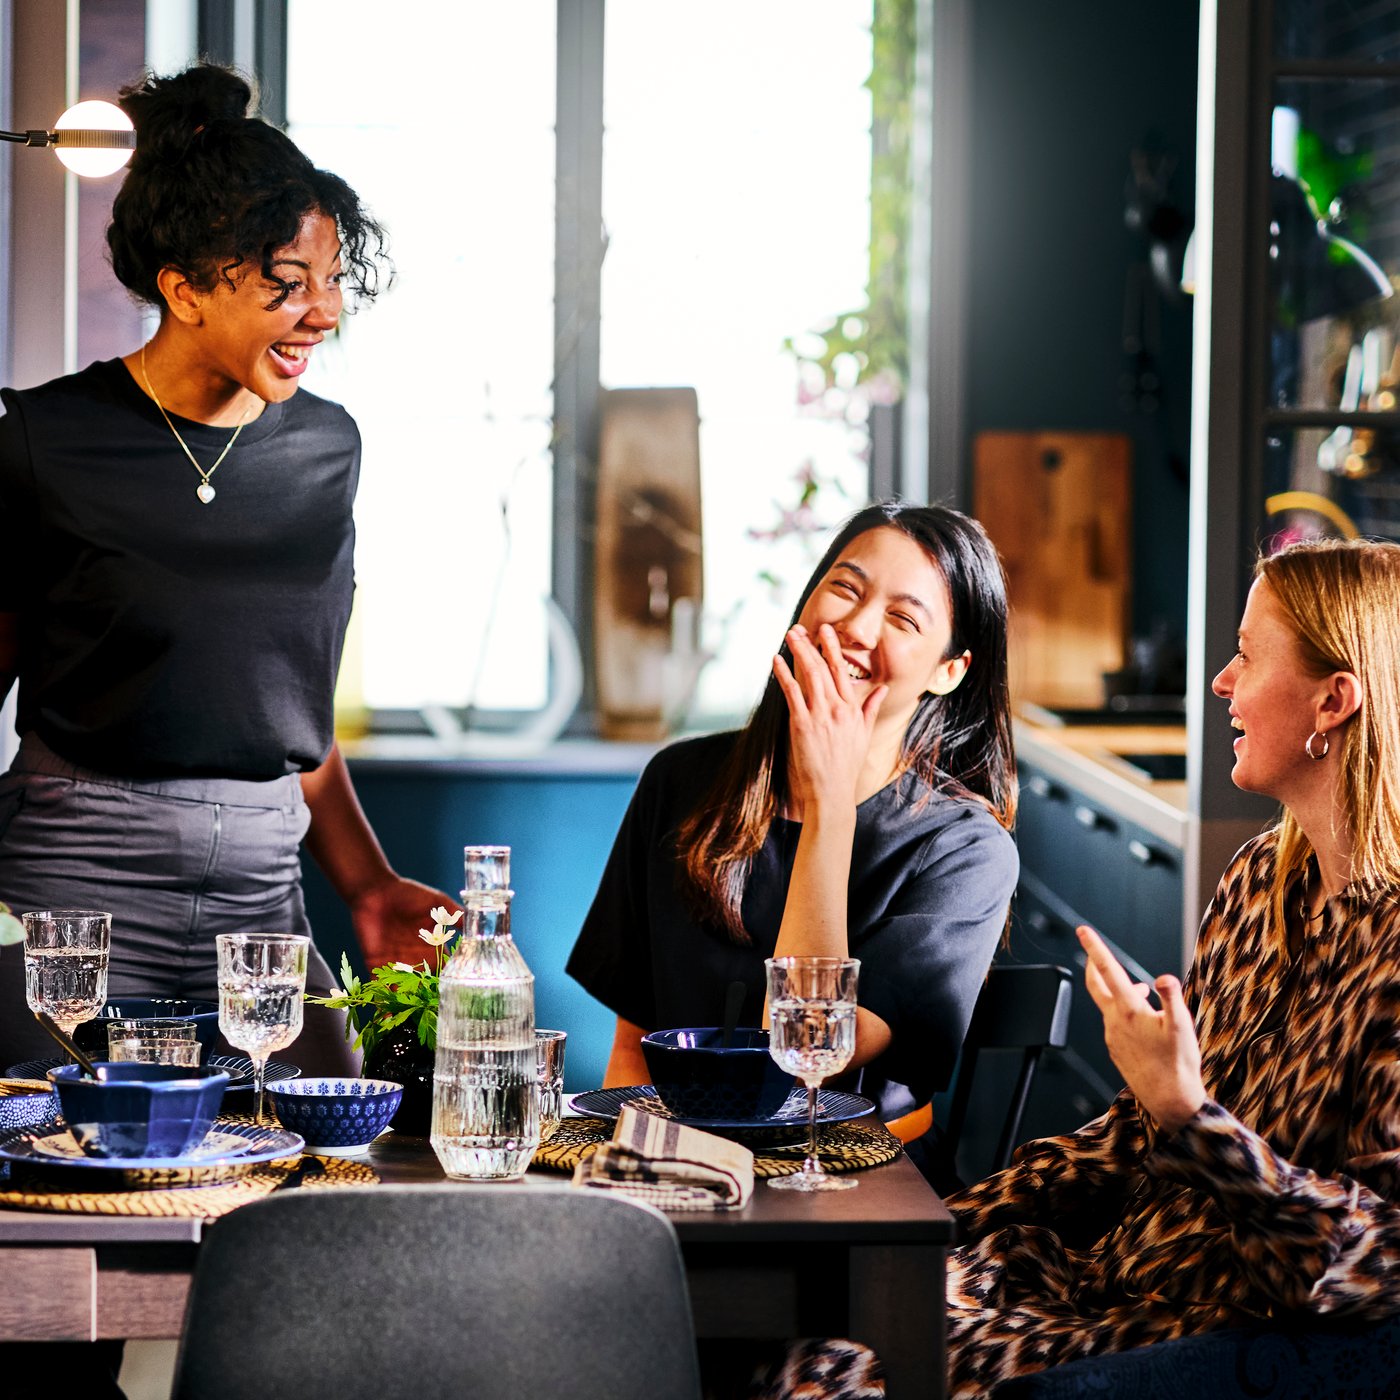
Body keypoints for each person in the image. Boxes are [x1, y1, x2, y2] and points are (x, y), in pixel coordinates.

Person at [0, 64, 452, 1075]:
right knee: (64, 1184)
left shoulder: (327, 452)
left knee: (289, 1177)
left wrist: (369, 883)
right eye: (285, 286)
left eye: (331, 280)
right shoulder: (45, 438)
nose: (321, 313)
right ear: (187, 287)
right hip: (76, 884)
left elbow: (284, 712)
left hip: (260, 889)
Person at [942, 537, 1400, 1397]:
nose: (1221, 682)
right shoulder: (1263, 881)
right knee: (833, 1330)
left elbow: (1373, 1265)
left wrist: (1188, 1114)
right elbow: (1133, 1135)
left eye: (1246, 656)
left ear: (1334, 702)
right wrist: (935, 1221)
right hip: (1094, 1275)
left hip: (1198, 1325)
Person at [568, 500, 1019, 1148]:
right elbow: (634, 1055)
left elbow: (810, 1047)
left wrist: (828, 804)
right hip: (681, 1164)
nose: (858, 626)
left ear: (948, 670)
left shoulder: (965, 852)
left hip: (864, 1183)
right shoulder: (680, 782)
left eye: (902, 618)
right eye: (844, 588)